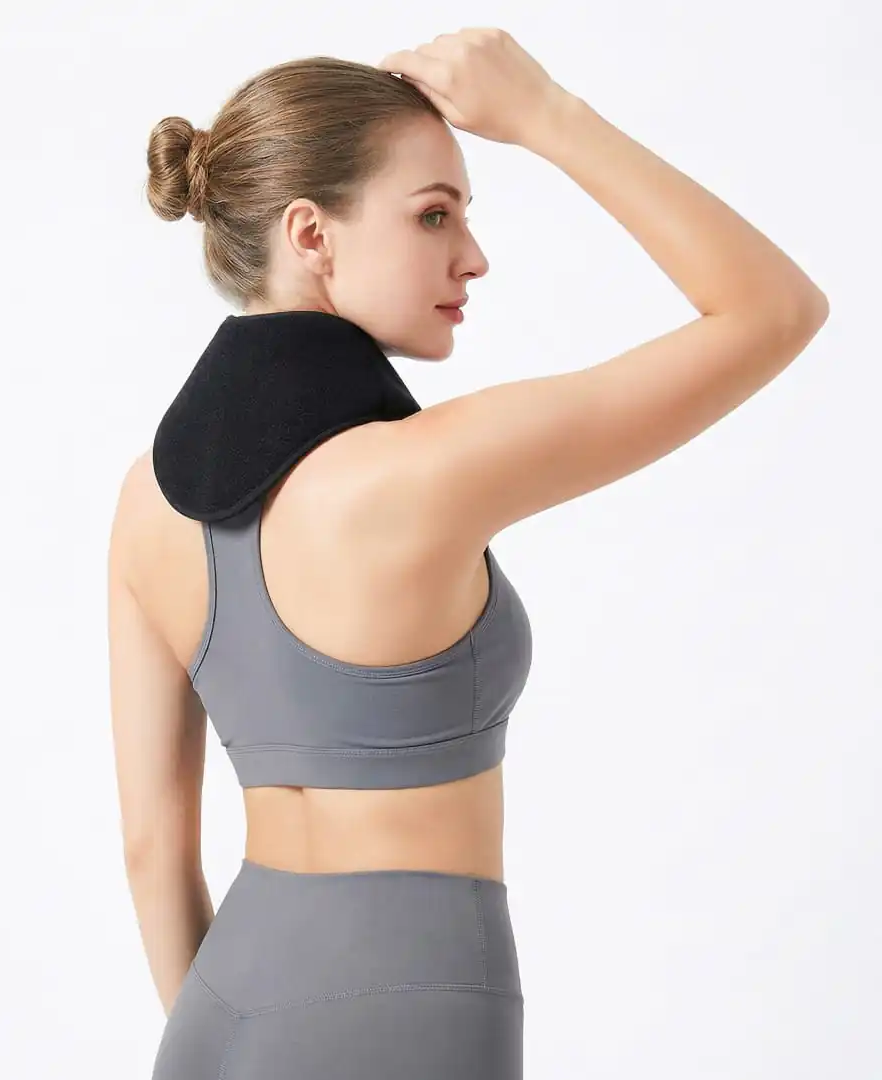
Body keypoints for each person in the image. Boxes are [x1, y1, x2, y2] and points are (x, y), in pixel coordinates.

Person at [108, 27, 829, 1079]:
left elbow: (150, 851)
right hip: (415, 1011)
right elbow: (775, 309)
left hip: (220, 1017)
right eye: (434, 214)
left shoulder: (146, 502)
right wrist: (546, 114)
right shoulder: (429, 472)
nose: (474, 256)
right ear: (311, 233)